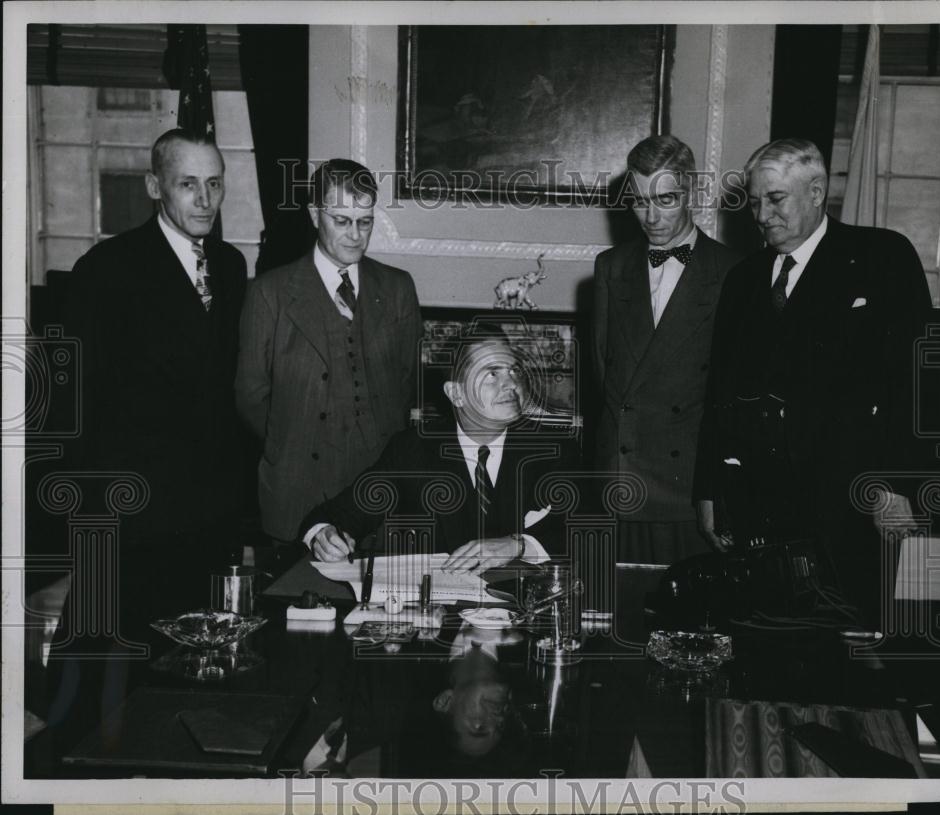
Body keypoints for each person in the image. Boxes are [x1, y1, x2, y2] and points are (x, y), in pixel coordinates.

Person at [46, 128, 248, 759]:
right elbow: (71, 403)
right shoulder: (106, 270)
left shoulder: (234, 265)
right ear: (155, 186)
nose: (205, 198)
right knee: (105, 691)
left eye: (215, 182)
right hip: (131, 518)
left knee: (194, 688)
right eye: (189, 183)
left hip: (207, 516)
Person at [693, 138, 932, 626]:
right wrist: (710, 489)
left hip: (851, 507)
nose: (761, 214)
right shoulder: (743, 280)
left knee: (850, 658)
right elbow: (720, 396)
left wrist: (897, 485)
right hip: (761, 511)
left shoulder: (880, 257)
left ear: (817, 191)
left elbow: (916, 380)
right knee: (763, 655)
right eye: (754, 201)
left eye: (775, 199)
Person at [235, 159, 423, 545]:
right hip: (297, 496)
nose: (355, 235)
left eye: (365, 221)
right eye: (341, 220)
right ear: (314, 214)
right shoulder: (269, 293)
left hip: (378, 496)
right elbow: (251, 396)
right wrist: (295, 440)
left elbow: (408, 381)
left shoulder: (398, 288)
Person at [301, 326, 580, 572]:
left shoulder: (555, 448)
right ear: (456, 393)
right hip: (436, 612)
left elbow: (583, 528)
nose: (511, 384)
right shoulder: (413, 449)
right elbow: (336, 515)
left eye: (513, 370)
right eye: (492, 374)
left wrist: (517, 545)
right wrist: (324, 535)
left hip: (523, 611)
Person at [592, 135, 742, 565]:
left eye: (666, 199)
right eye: (640, 201)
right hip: (621, 484)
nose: (652, 216)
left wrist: (714, 492)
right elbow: (605, 375)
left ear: (691, 193)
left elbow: (730, 398)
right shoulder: (610, 267)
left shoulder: (733, 271)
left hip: (692, 492)